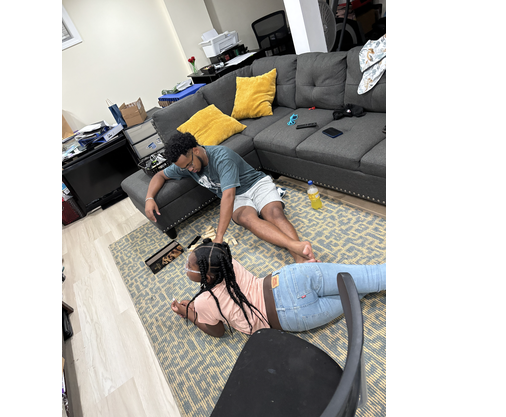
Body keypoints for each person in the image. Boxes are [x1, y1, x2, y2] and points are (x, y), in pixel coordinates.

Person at [144, 132, 316, 263]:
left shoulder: (221, 157)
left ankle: (302, 260)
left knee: (274, 214)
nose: (189, 170)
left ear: (195, 150)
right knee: (247, 220)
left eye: (189, 165)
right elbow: (160, 175)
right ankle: (298, 248)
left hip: (256, 185)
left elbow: (228, 196)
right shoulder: (184, 164)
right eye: (184, 168)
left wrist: (219, 237)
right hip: (239, 198)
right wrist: (149, 198)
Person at [170, 239, 386, 337]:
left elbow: (217, 331)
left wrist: (189, 313)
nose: (186, 268)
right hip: (290, 277)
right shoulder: (227, 263)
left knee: (356, 292)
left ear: (207, 276)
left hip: (290, 314)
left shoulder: (204, 302)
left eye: (189, 266)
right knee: (371, 277)